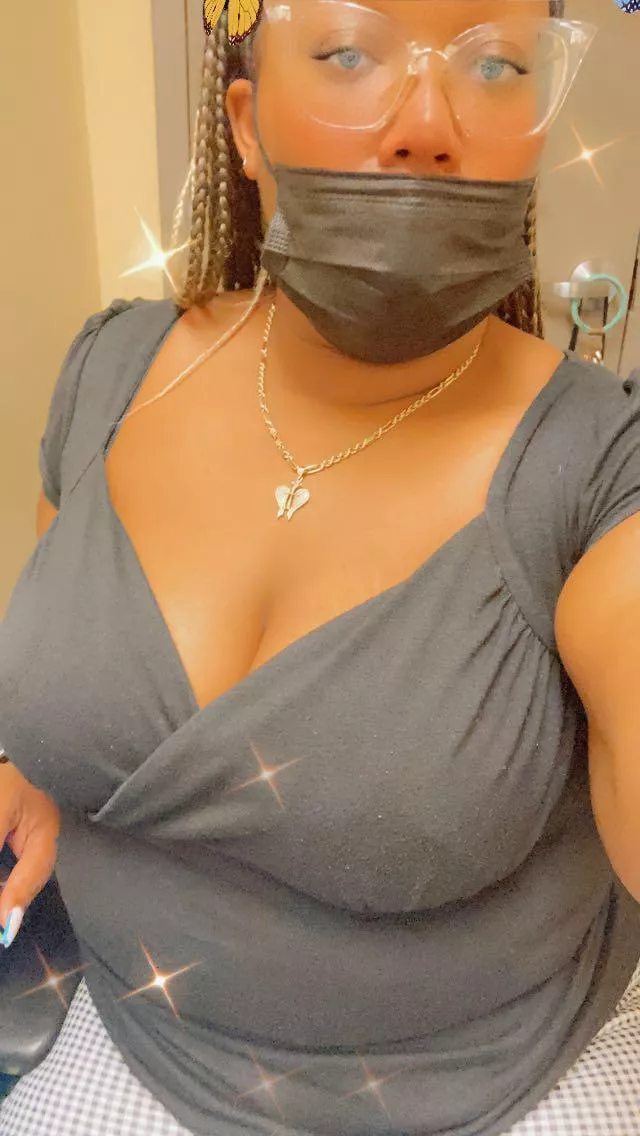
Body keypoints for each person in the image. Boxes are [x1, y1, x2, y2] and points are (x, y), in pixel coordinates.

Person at [1, 1, 640, 1133]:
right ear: (246, 125)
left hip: (498, 1081)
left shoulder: (601, 462)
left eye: (497, 65)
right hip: (126, 1031)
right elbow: (68, 642)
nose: (427, 123)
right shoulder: (108, 371)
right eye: (349, 51)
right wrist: (32, 765)